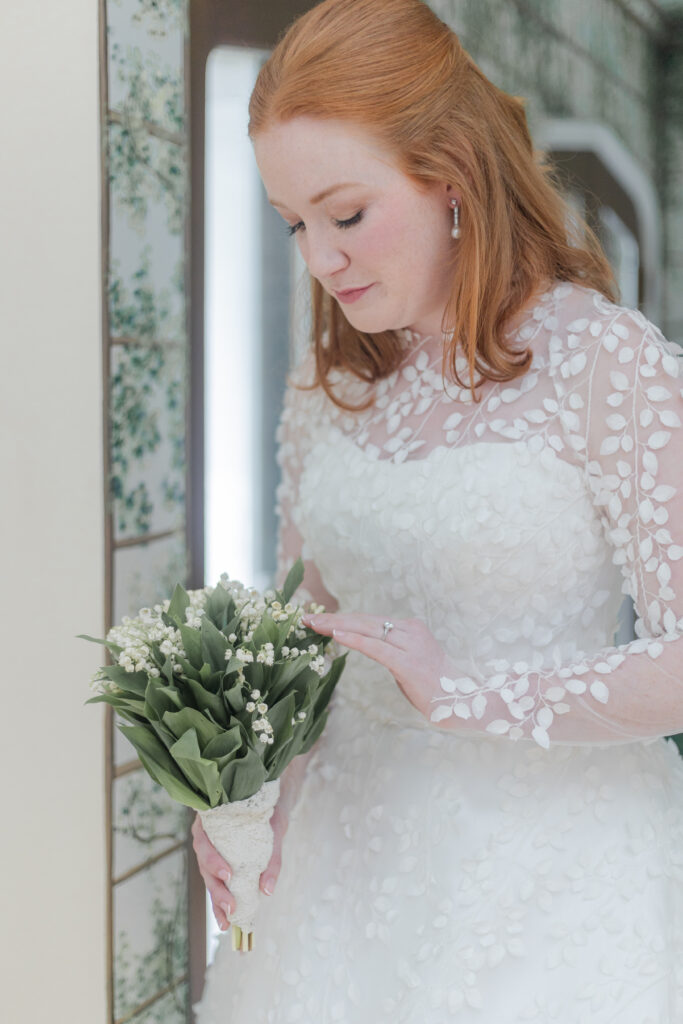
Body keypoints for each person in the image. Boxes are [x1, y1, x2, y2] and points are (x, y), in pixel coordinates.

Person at [192, 0, 683, 1019]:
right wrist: (251, 793)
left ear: (448, 175)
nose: (318, 259)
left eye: (346, 213)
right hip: (332, 887)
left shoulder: (604, 362)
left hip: (551, 886)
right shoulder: (323, 386)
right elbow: (304, 636)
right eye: (294, 223)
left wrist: (462, 690)